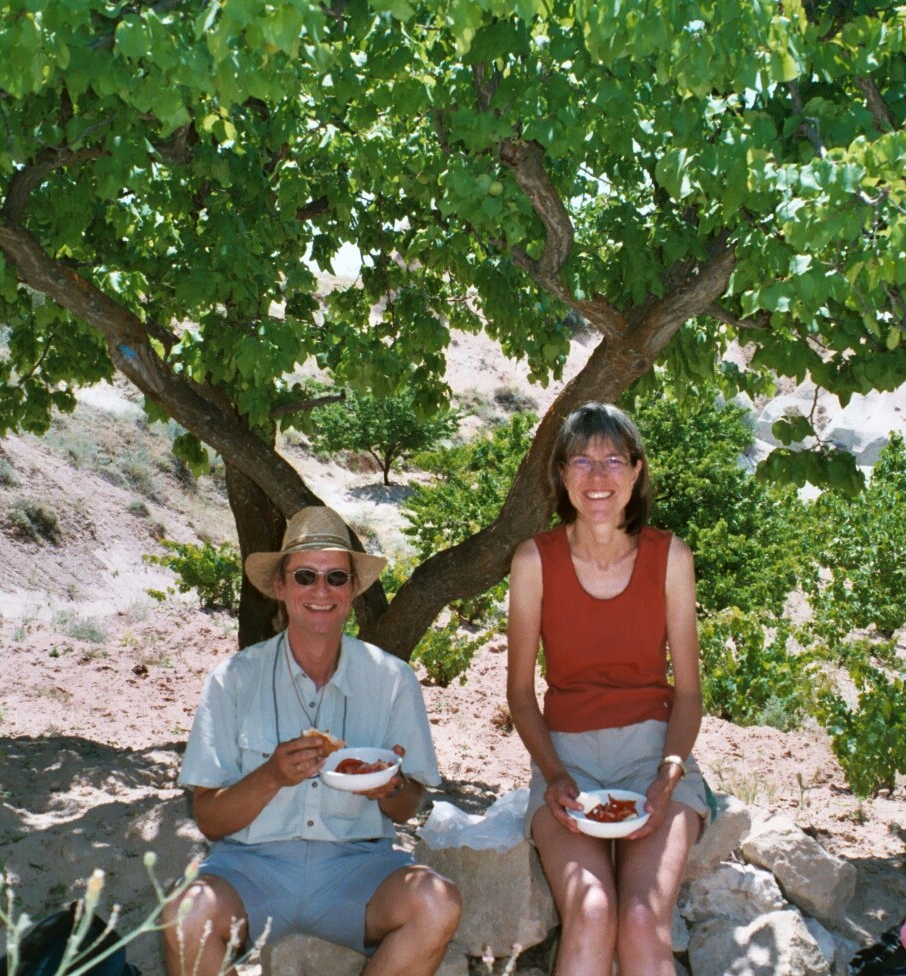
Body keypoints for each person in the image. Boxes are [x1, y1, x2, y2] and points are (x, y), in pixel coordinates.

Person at [163, 506, 461, 976]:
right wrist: (271, 776)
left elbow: (406, 810)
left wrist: (391, 788)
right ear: (280, 588)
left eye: (336, 578)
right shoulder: (233, 680)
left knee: (437, 902)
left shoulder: (392, 680)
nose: (321, 591)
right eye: (305, 576)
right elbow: (210, 820)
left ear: (352, 590)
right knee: (185, 914)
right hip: (250, 870)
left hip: (357, 870)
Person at [505, 402, 710, 976]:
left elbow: (688, 692)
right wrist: (554, 776)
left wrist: (670, 772)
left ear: (637, 471)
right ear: (562, 475)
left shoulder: (671, 557)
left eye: (613, 460)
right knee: (592, 911)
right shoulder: (533, 560)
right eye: (582, 461)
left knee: (643, 920)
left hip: (653, 752)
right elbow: (520, 692)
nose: (598, 478)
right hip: (565, 757)